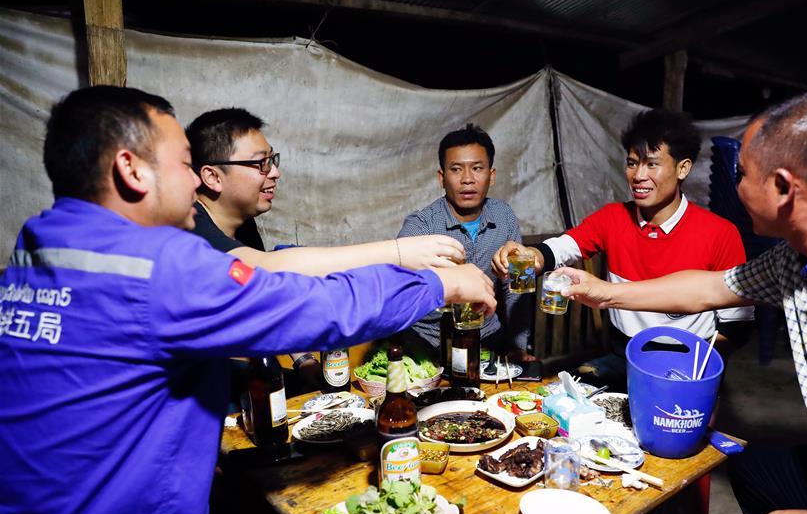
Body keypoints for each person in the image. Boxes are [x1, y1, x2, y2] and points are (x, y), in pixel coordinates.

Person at [0, 86, 496, 514]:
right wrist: (437, 284)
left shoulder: (38, 249)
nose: (195, 182)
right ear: (132, 170)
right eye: (184, 164)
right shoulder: (151, 267)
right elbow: (317, 307)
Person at [557, 92, 807, 514]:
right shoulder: (798, 256)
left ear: (783, 187)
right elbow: (708, 288)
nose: (732, 186)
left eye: (741, 174)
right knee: (751, 461)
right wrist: (604, 293)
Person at [493, 108, 753, 389]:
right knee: (560, 395)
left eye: (652, 164)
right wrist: (532, 256)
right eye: (632, 163)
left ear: (683, 168)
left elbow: (737, 327)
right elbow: (565, 246)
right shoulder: (614, 217)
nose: (638, 175)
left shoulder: (720, 234)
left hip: (687, 364)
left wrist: (698, 375)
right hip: (624, 357)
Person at [186, 107, 466, 275]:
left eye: (272, 160)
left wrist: (302, 361)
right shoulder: (190, 227)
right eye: (261, 163)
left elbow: (265, 303)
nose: (274, 172)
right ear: (212, 177)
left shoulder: (243, 226)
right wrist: (397, 252)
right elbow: (265, 270)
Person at [398, 123, 534, 362]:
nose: (467, 179)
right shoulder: (421, 227)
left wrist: (518, 346)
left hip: (488, 340)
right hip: (430, 346)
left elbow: (516, 288)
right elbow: (400, 293)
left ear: (491, 176)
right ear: (442, 177)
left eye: (477, 168)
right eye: (456, 169)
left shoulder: (504, 216)